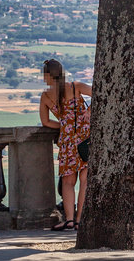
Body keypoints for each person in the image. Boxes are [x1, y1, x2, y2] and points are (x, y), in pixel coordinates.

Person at [39, 58, 91, 230]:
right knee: (85, 179)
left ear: (48, 76)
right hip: (85, 137)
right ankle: (80, 219)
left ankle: (69, 219)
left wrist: (63, 125)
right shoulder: (76, 87)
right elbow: (102, 94)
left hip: (67, 141)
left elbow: (46, 122)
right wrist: (89, 112)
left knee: (68, 181)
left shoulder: (46, 96)